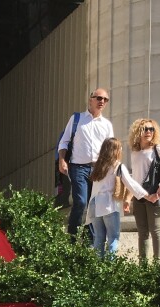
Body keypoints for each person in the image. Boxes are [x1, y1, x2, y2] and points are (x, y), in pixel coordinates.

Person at [57, 88, 115, 239]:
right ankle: (72, 237)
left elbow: (111, 149)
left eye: (105, 99)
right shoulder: (77, 119)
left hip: (98, 168)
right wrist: (62, 160)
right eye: (99, 98)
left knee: (93, 205)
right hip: (78, 167)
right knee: (81, 201)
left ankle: (89, 241)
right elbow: (64, 141)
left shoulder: (107, 125)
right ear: (91, 100)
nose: (102, 101)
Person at [85, 138, 158, 257]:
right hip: (109, 205)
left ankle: (97, 268)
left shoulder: (97, 166)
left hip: (94, 204)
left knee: (98, 238)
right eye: (119, 147)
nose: (122, 150)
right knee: (113, 238)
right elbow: (131, 184)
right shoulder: (117, 166)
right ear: (115, 151)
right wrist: (147, 196)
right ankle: (110, 268)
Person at [129, 118, 160, 259]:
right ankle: (143, 267)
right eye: (145, 129)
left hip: (155, 193)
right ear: (138, 131)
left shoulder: (158, 148)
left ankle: (157, 264)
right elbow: (134, 178)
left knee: (156, 230)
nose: (148, 132)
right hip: (139, 196)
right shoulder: (134, 152)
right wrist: (128, 197)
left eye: (151, 129)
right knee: (142, 232)